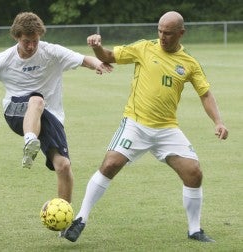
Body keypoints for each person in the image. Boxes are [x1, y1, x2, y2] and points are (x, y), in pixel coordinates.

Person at [62, 11, 228, 242]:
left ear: (181, 33)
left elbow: (205, 94)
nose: (162, 36)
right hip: (136, 124)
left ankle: (194, 230)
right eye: (159, 31)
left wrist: (218, 122)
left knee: (194, 173)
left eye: (168, 33)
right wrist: (97, 47)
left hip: (167, 129)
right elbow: (109, 56)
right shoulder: (144, 48)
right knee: (110, 164)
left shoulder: (189, 63)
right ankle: (81, 218)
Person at [0, 12, 112, 203]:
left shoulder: (51, 52)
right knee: (36, 100)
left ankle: (64, 218)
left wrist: (98, 63)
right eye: (26, 41)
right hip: (15, 112)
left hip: (49, 116)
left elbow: (84, 59)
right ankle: (29, 141)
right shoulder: (4, 58)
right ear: (16, 36)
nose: (31, 46)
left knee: (63, 165)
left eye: (35, 41)